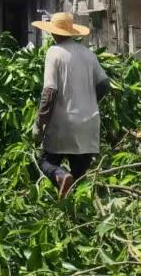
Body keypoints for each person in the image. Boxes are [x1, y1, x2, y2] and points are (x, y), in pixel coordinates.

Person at [31, 12, 110, 199]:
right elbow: (104, 84)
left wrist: (40, 123)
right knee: (78, 179)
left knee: (46, 162)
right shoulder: (88, 54)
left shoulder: (54, 52)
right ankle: (72, 211)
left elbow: (49, 92)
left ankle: (60, 175)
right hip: (89, 123)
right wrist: (89, 102)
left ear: (53, 32)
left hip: (63, 124)